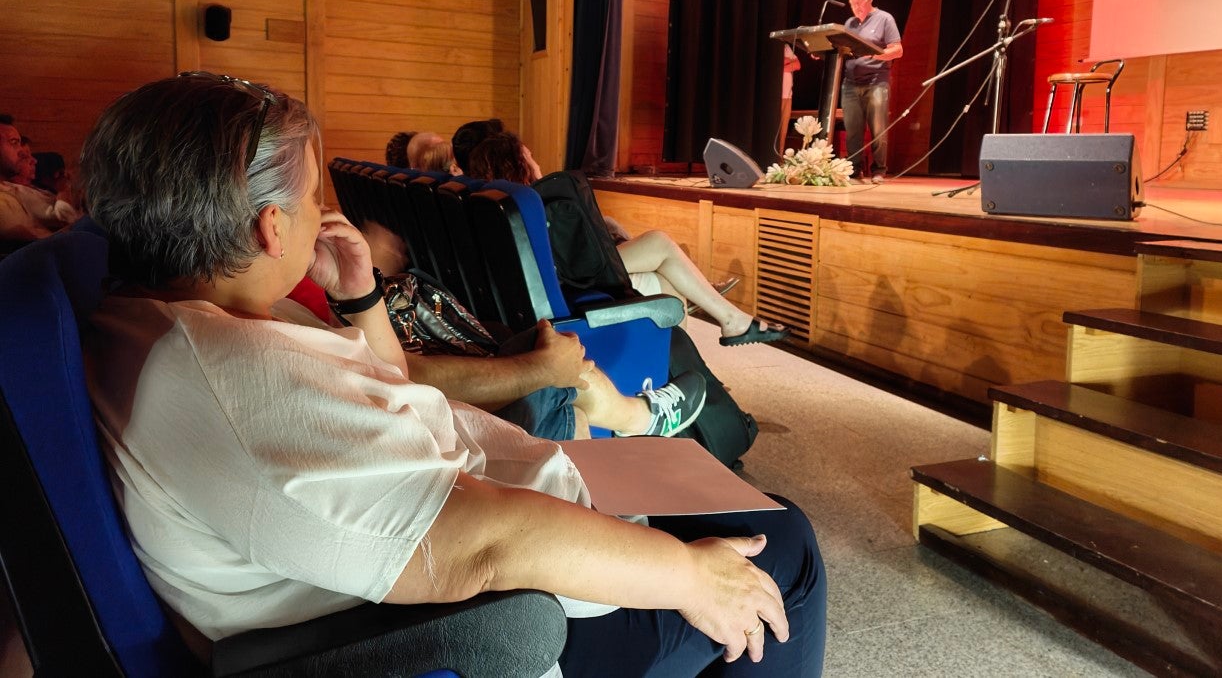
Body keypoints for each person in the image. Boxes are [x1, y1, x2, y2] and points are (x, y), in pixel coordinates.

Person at [79, 72, 826, 674]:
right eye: (311, 199)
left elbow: (386, 388)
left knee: (723, 496)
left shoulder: (167, 315)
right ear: (269, 227)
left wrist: (361, 295)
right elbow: (482, 544)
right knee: (778, 543)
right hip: (493, 616)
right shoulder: (230, 373)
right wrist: (687, 577)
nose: (322, 213)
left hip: (515, 493)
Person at [468, 131, 790, 348]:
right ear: (517, 164)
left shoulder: (494, 201)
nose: (536, 162)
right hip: (566, 281)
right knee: (661, 246)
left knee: (662, 276)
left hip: (553, 278)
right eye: (530, 156)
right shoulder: (529, 198)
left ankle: (710, 326)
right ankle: (723, 320)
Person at [841, 0, 903, 184]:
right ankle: (854, 169)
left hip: (877, 81)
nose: (856, 7)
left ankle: (879, 170)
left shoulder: (884, 18)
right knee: (853, 130)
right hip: (850, 83)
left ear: (869, 0)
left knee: (878, 128)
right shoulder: (850, 23)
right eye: (852, 4)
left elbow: (897, 50)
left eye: (859, 3)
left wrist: (875, 55)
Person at [0, 115, 77, 248]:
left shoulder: (8, 190)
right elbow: (37, 246)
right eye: (13, 142)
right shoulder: (4, 201)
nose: (22, 153)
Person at [779, 43, 802, 153]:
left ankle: (779, 157)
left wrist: (783, 63)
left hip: (787, 94)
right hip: (776, 94)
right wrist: (789, 60)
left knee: (783, 130)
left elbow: (797, 65)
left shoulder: (786, 46)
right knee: (774, 130)